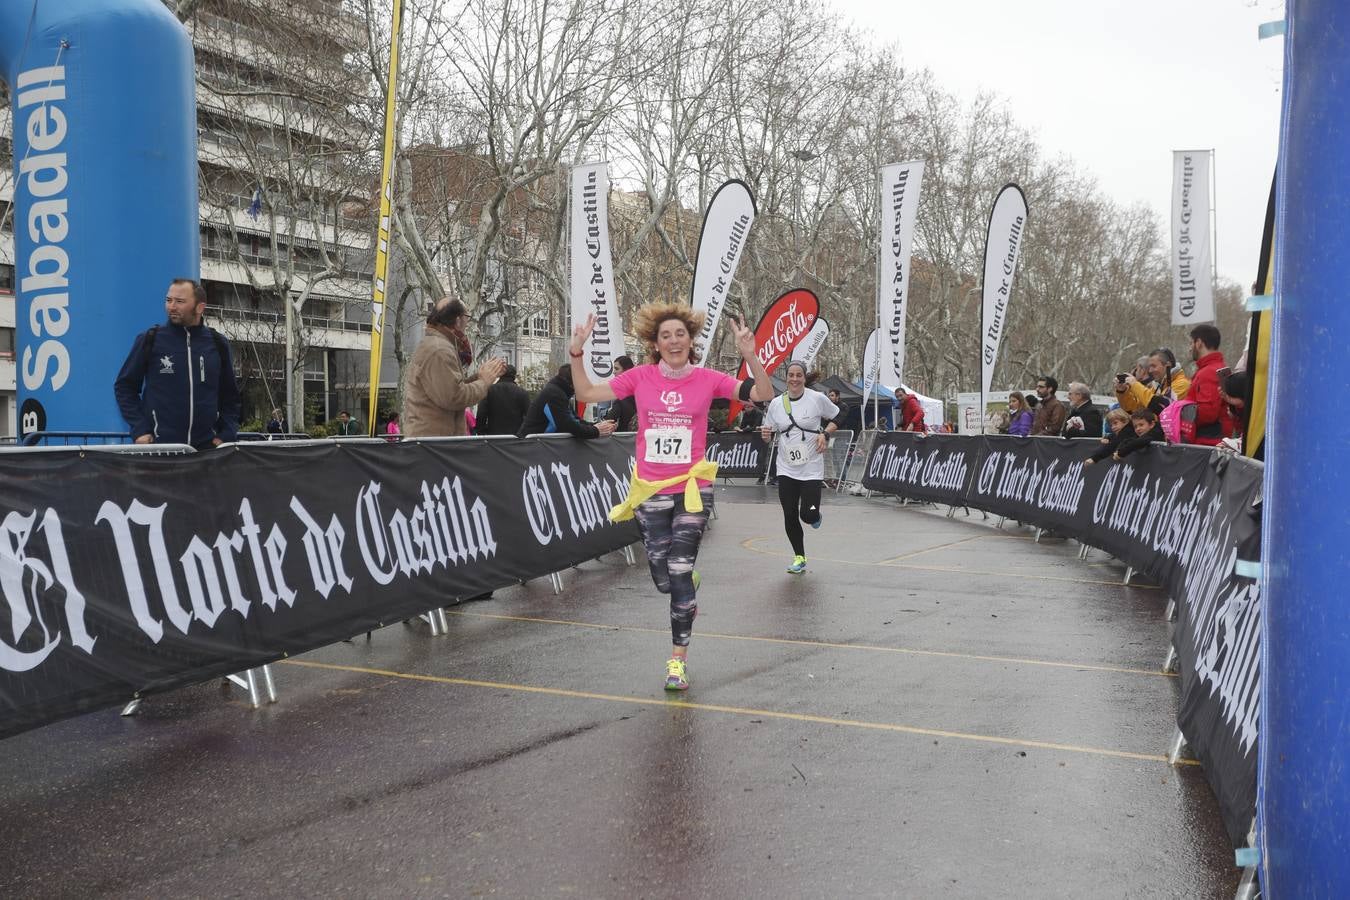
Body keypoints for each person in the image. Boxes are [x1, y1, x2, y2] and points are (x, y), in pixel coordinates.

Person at [569, 303, 772, 692]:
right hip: (650, 488)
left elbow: (761, 394)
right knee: (665, 578)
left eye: (680, 334)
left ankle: (678, 660)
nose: (674, 340)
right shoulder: (639, 377)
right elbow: (585, 391)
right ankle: (685, 580)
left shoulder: (707, 379)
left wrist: (751, 356)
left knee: (677, 570)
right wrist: (577, 352)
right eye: (666, 335)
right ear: (655, 343)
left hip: (692, 488)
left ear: (690, 340)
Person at [114, 278, 241, 450]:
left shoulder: (217, 343)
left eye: (179, 301)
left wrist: (226, 433)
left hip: (207, 454)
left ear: (200, 307)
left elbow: (230, 397)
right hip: (159, 451)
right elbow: (124, 387)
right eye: (169, 300)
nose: (171, 306)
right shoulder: (150, 339)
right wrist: (140, 429)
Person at [760, 361, 840, 575]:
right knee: (789, 514)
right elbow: (768, 433)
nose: (794, 379)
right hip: (786, 468)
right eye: (791, 375)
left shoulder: (816, 399)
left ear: (804, 378)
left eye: (798, 375)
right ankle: (799, 557)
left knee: (808, 513)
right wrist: (766, 436)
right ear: (786, 378)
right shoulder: (776, 404)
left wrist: (826, 434)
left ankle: (816, 516)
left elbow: (840, 414)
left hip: (811, 469)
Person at [402, 297, 505, 438]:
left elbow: (449, 389)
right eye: (467, 317)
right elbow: (454, 397)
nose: (468, 323)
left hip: (432, 441)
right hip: (434, 445)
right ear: (457, 321)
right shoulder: (439, 350)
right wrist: (484, 382)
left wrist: (480, 376)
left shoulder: (436, 345)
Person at [517, 365, 617, 439]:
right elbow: (566, 425)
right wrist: (596, 430)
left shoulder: (559, 391)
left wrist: (596, 425)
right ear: (573, 383)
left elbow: (574, 419)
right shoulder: (554, 394)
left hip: (537, 443)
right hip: (531, 445)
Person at [1187, 324, 1234, 447]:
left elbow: (1207, 413)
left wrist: (1181, 415)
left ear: (1199, 343)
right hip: (1214, 440)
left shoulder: (1208, 372)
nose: (1190, 348)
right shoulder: (1217, 368)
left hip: (1207, 443)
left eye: (1191, 343)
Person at [476, 364, 531, 436]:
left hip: (493, 438)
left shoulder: (489, 391)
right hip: (516, 438)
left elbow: (481, 413)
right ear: (514, 376)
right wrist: (522, 434)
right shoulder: (523, 393)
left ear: (500, 374)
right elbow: (529, 417)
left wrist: (482, 432)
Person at [602, 356, 638, 431]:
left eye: (617, 368)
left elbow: (609, 420)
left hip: (624, 438)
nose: (613, 372)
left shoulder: (622, 398)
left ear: (626, 371)